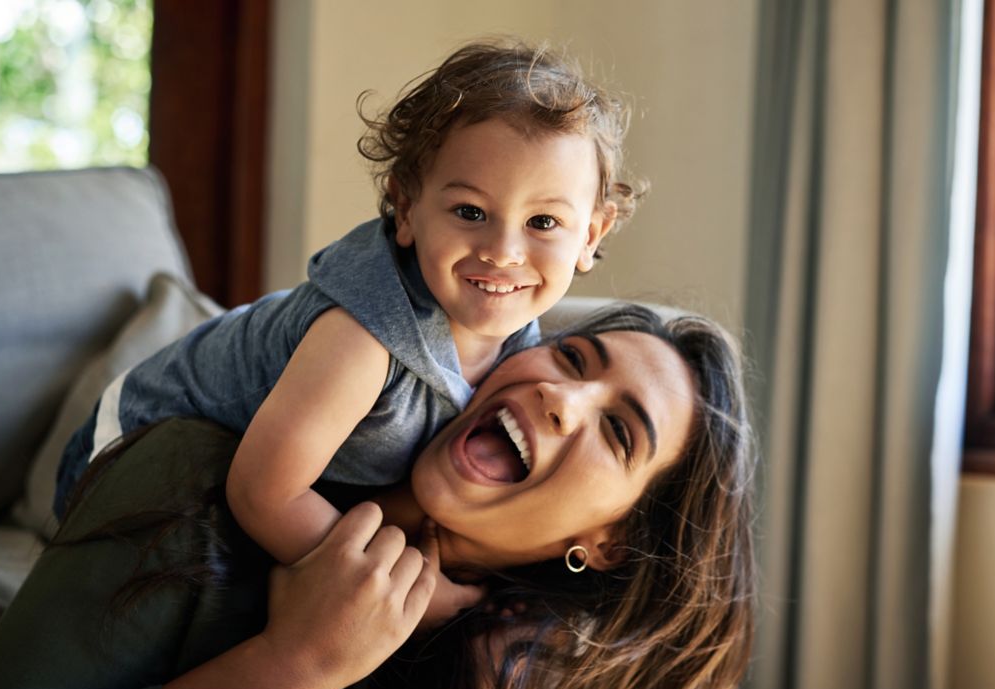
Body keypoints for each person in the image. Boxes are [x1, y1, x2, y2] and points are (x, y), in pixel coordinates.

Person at [0, 305, 755, 689]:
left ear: (609, 541)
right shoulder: (191, 480)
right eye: (573, 358)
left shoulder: (516, 666)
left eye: (617, 431)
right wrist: (295, 661)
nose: (560, 396)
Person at [52, 39, 643, 580]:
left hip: (245, 470)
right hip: (126, 459)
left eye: (543, 222)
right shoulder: (362, 341)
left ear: (591, 234)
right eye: (469, 211)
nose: (503, 252)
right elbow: (265, 494)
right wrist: (404, 593)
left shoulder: (526, 344)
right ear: (407, 209)